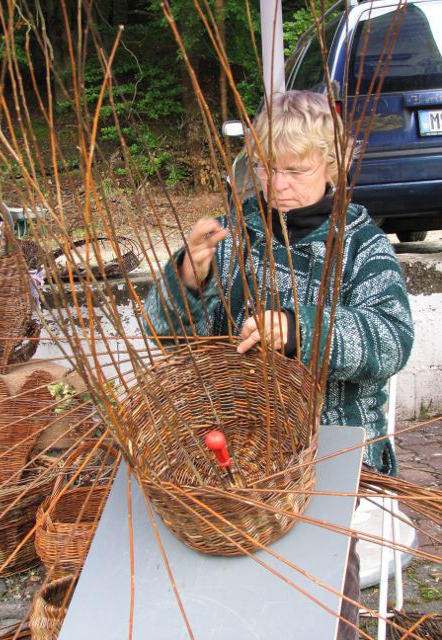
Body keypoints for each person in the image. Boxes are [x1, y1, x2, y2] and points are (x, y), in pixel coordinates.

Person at [144, 90, 414, 639]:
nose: (278, 184)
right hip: (240, 445)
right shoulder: (234, 236)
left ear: (332, 167)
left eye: (295, 169)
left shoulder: (361, 248)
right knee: (212, 565)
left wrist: (302, 331)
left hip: (334, 449)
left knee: (317, 579)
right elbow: (173, 340)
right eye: (266, 169)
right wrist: (187, 282)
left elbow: (392, 342)